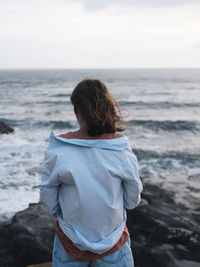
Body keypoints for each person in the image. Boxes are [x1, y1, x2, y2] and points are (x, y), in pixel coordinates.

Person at [39, 78, 143, 267]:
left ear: (76, 110)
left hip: (69, 243)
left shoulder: (59, 151)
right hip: (114, 243)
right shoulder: (121, 150)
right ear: (108, 108)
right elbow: (132, 200)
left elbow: (48, 203)